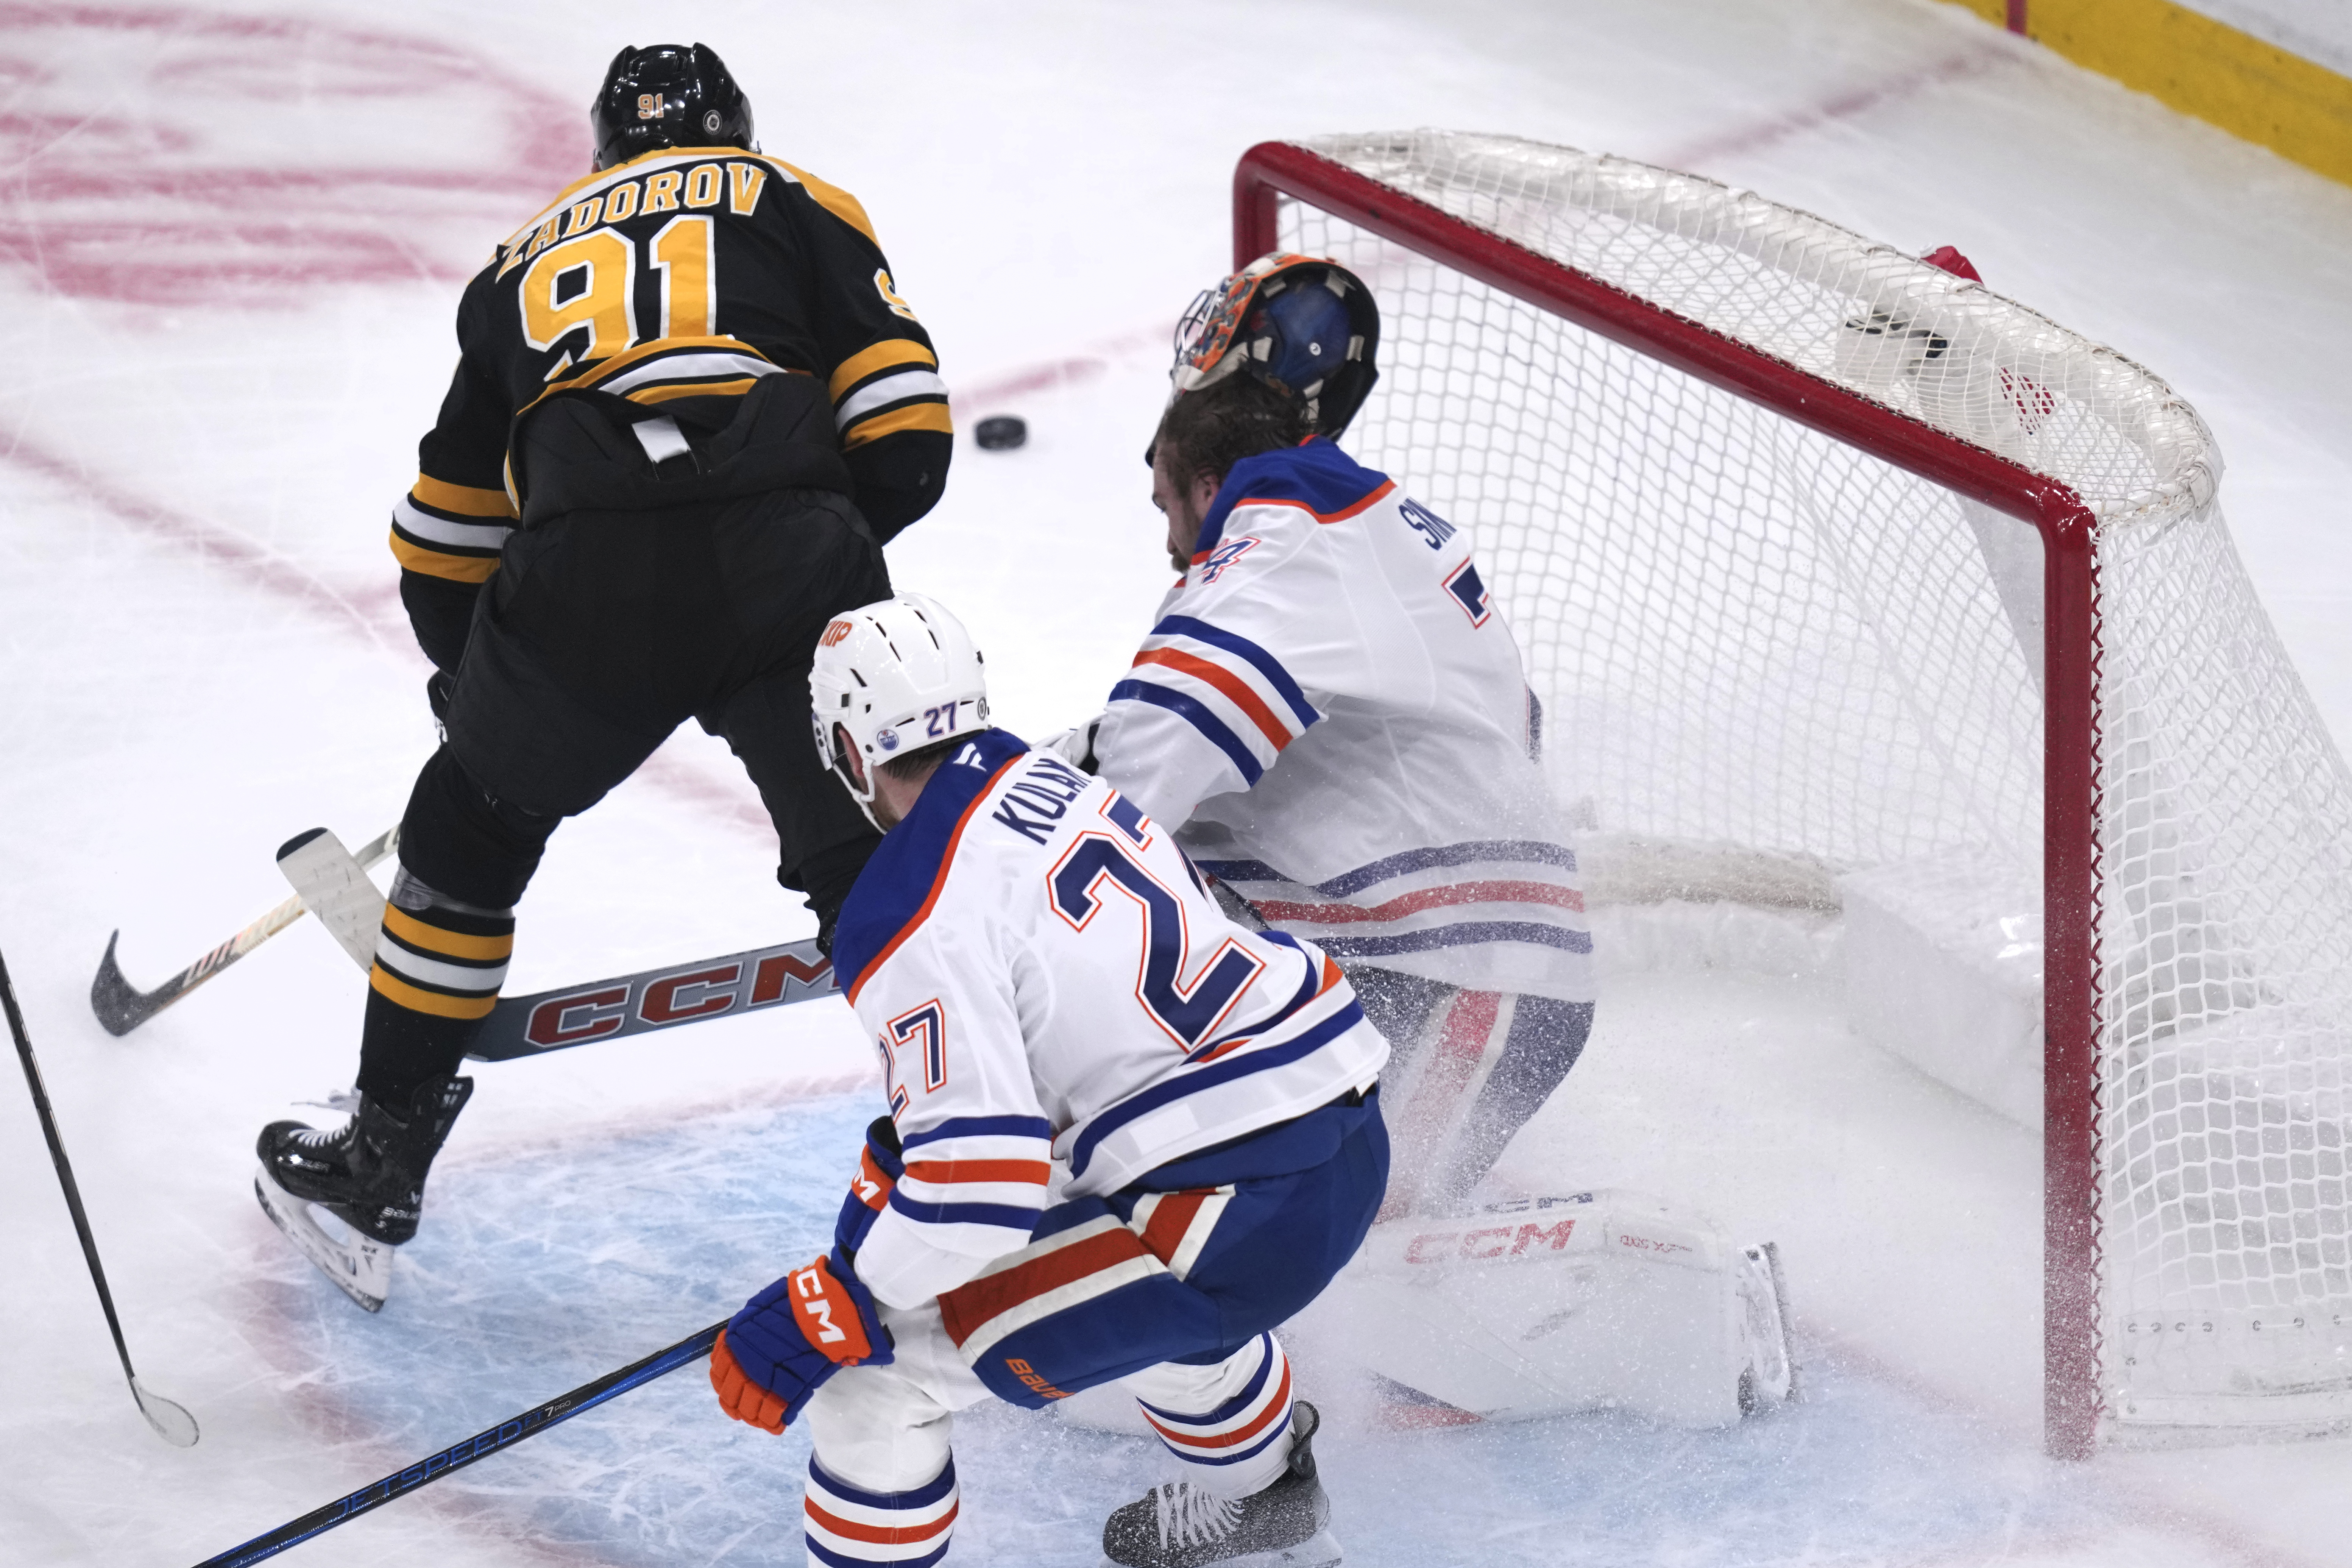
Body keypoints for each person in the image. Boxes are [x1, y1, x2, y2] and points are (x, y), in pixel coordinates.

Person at [254, 43, 952, 1312]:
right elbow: (905, 434)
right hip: (790, 556)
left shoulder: (520, 259)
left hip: (587, 586)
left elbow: (443, 537)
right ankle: (987, 1160)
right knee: (883, 856)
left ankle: (379, 1160)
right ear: (732, 130)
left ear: (601, 150)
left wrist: (477, 684)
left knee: (467, 824)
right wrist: (805, 551)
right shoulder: (797, 197)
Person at [708, 593, 1389, 1568]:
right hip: (1346, 1140)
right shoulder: (1057, 781)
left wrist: (841, 1299)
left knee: (874, 1383)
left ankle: (1274, 1523)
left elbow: (979, 1195)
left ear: (849, 752)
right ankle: (1269, 1516)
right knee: (1134, 1272)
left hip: (1224, 1216)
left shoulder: (904, 907)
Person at [1063, 253, 1591, 1220]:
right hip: (1420, 961)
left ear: (1207, 476)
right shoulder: (1383, 531)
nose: (1173, 549)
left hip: (1459, 978)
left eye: (1168, 508)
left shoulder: (1280, 535)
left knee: (1335, 1256)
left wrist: (992, 844)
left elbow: (1145, 765)